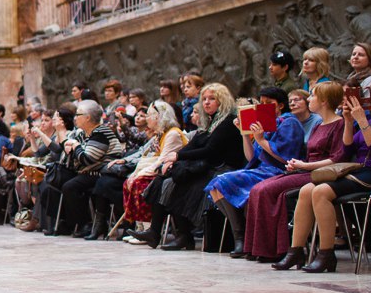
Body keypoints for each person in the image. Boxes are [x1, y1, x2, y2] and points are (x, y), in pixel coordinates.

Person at [275, 76, 371, 273]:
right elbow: (348, 148)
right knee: (307, 190)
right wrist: (349, 122)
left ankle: (326, 254)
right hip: (359, 170)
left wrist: (362, 121)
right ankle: (295, 251)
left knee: (321, 191)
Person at [128, 83, 246, 250]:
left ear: (222, 101)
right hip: (207, 167)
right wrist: (173, 159)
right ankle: (158, 232)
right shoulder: (210, 122)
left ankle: (183, 235)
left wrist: (178, 156)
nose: (206, 102)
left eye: (212, 99)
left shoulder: (227, 122)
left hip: (222, 169)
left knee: (176, 183)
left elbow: (210, 150)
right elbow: (193, 145)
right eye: (204, 99)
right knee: (165, 180)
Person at [246, 82, 346, 263]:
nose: (309, 99)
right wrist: (297, 165)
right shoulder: (318, 126)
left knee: (266, 190)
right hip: (306, 170)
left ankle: (277, 249)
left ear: (324, 101)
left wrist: (305, 166)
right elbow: (309, 155)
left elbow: (337, 158)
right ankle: (259, 248)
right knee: (258, 188)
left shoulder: (339, 124)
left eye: (313, 96)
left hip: (319, 173)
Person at [206, 88, 305, 258]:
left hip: (278, 170)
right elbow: (251, 157)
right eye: (262, 103)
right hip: (261, 169)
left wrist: (261, 139)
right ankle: (240, 236)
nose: (264, 106)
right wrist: (245, 134)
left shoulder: (289, 123)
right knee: (216, 185)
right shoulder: (265, 123)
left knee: (222, 181)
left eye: (269, 103)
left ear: (281, 105)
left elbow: (285, 157)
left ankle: (244, 238)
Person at [120, 101, 188, 235]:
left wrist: (140, 173)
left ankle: (148, 228)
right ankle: (139, 227)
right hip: (162, 171)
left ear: (159, 117)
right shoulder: (161, 134)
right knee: (130, 182)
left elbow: (162, 160)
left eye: (149, 115)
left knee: (140, 183)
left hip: (172, 174)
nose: (147, 118)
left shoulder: (173, 134)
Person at [60, 100, 124, 240]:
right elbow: (75, 155)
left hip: (104, 173)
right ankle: (81, 223)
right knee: (63, 181)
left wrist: (75, 146)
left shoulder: (101, 132)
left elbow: (87, 159)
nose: (75, 118)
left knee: (70, 186)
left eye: (78, 115)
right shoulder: (85, 133)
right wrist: (72, 148)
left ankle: (86, 224)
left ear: (88, 117)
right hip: (90, 172)